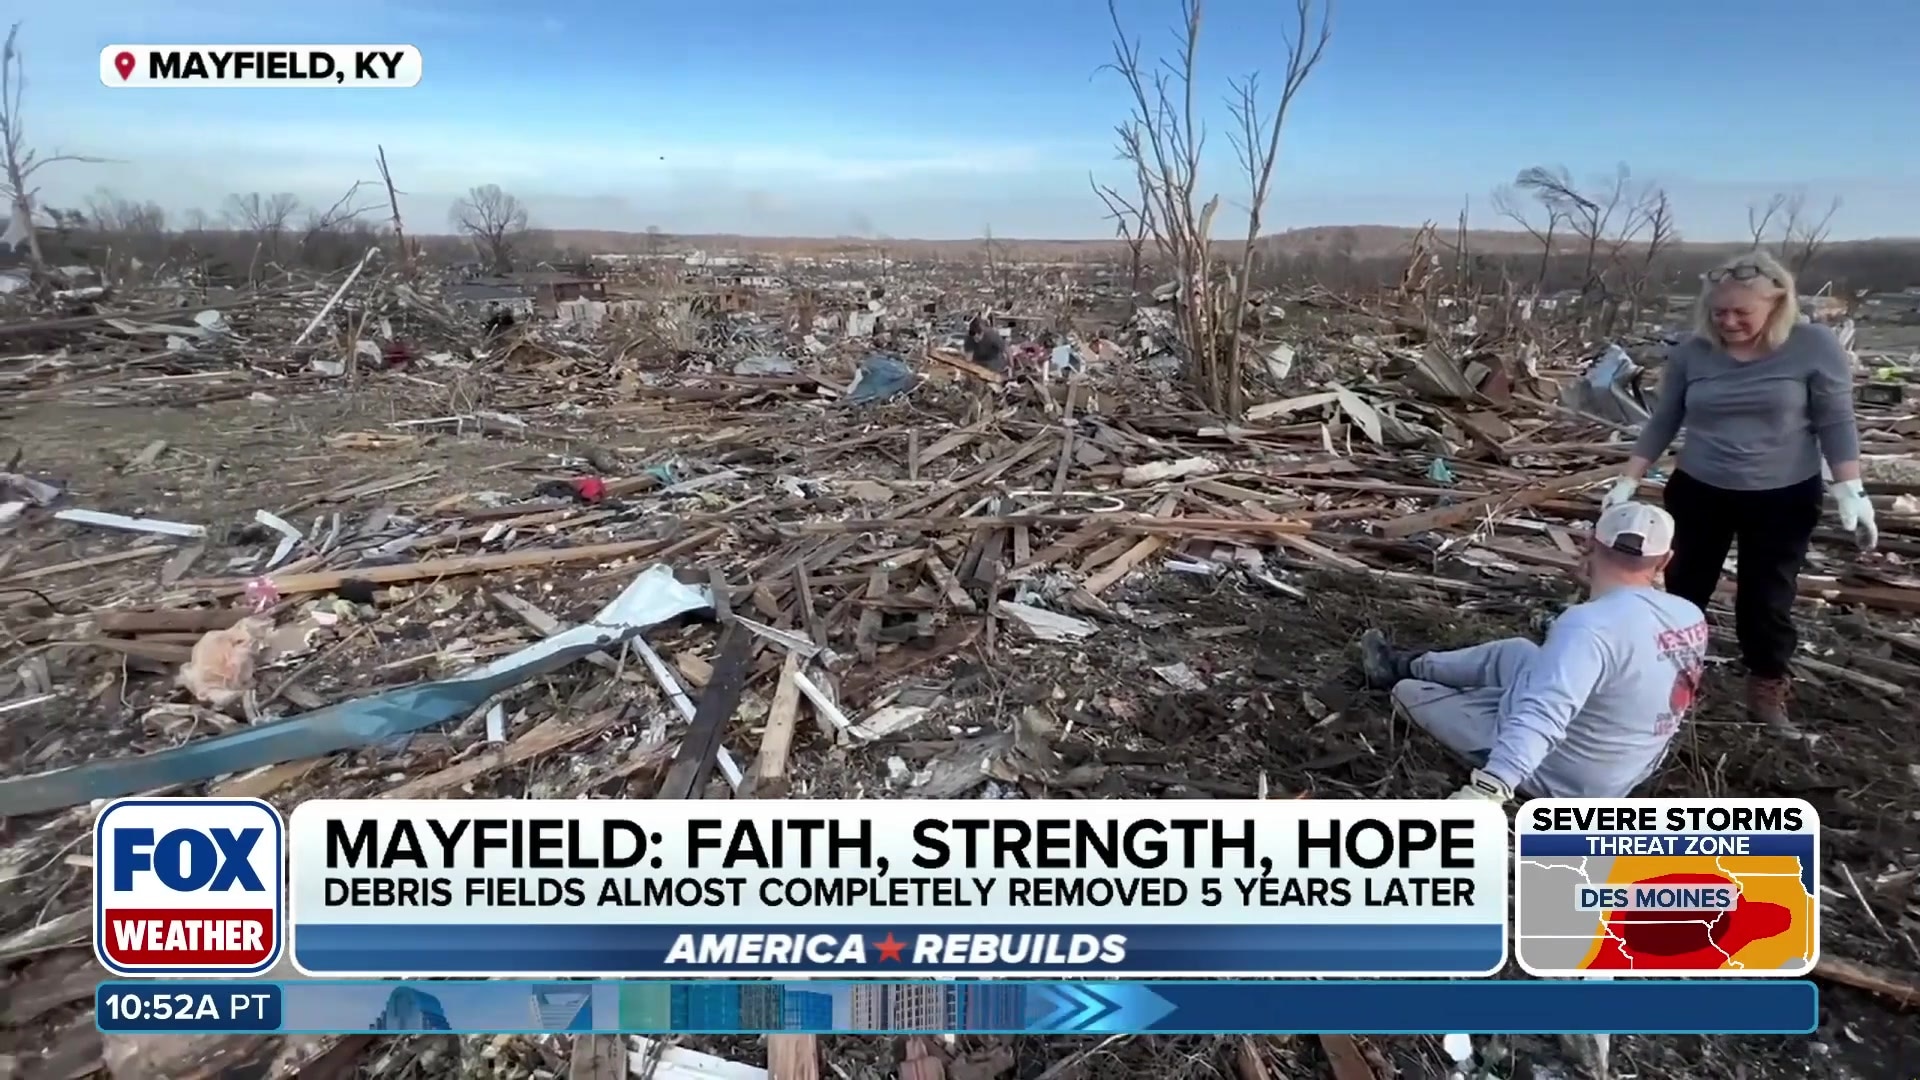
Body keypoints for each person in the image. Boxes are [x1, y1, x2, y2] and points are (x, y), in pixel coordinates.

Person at [1602, 250, 1873, 729]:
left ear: (1776, 304)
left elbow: (1836, 419)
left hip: (1783, 494)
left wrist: (1851, 488)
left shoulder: (1813, 345)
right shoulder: (1693, 351)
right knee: (1684, 589)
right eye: (1718, 311)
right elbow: (1665, 417)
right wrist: (1629, 478)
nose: (1727, 322)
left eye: (1740, 312)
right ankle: (1672, 680)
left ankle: (1767, 685)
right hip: (1700, 489)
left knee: (1766, 598)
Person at [1358, 502, 1709, 802]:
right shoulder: (1688, 614)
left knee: (1408, 694)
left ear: (1589, 543)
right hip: (1621, 769)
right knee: (1518, 652)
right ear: (1664, 561)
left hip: (1563, 777)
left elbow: (1546, 713)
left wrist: (1488, 791)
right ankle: (1409, 663)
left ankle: (1407, 678)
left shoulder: (1589, 625)